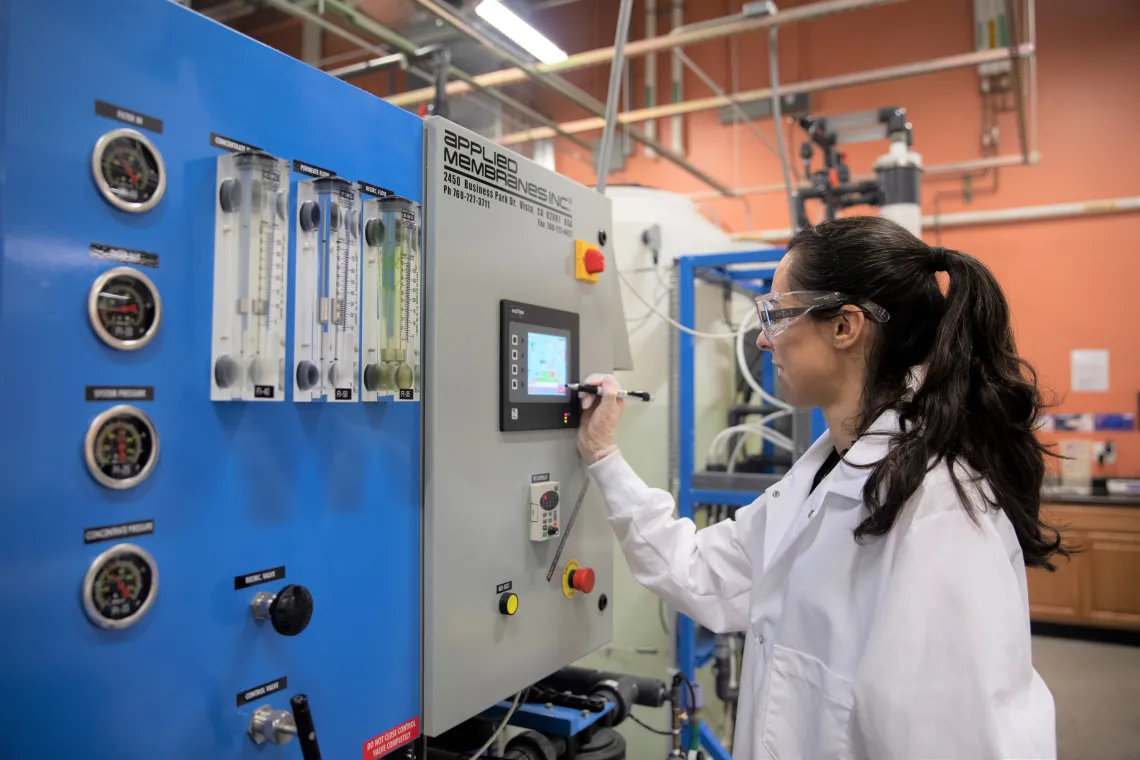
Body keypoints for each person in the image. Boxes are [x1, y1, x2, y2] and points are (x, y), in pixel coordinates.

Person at [578, 216, 1065, 759]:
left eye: (776, 313)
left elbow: (957, 739)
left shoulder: (939, 506)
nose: (763, 338)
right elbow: (703, 573)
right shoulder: (826, 469)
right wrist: (604, 457)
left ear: (845, 327)